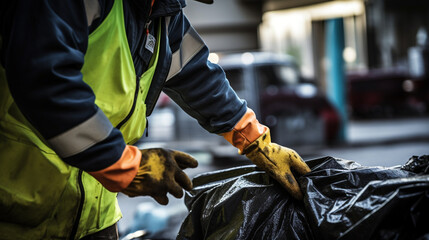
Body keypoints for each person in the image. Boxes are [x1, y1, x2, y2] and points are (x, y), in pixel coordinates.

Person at [0, 0, 311, 239]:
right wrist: (124, 164)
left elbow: (198, 76)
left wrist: (256, 140)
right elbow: (45, 81)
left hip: (92, 217)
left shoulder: (162, 15)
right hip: (16, 211)